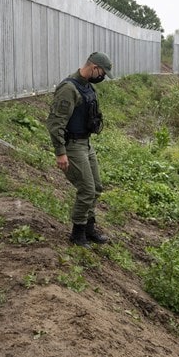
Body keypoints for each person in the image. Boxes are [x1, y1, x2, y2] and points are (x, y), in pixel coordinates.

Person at [45, 51, 113, 247]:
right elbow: (56, 123)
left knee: (97, 187)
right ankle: (78, 233)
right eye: (102, 73)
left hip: (86, 144)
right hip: (73, 146)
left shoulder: (87, 87)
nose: (102, 77)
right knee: (86, 189)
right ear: (94, 68)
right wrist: (60, 152)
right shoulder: (68, 89)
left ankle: (89, 228)